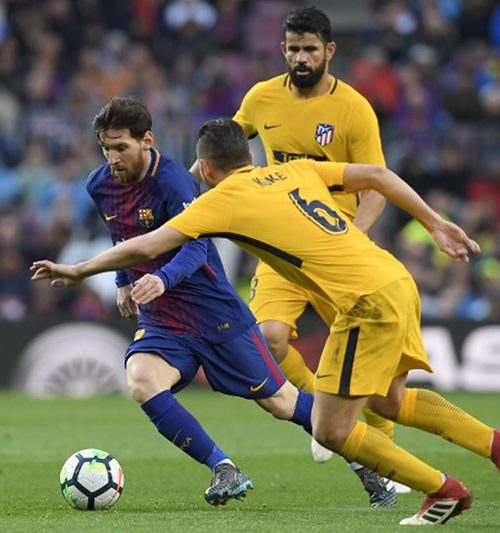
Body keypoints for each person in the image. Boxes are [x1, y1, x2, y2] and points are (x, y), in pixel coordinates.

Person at [32, 118, 500, 527]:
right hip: (395, 280)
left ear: (205, 169)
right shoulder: (296, 169)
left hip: (364, 304)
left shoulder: (220, 201)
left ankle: (443, 490)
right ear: (251, 156)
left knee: (329, 429)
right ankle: (494, 446)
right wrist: (435, 223)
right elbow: (377, 174)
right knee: (390, 401)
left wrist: (79, 269)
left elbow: (146, 245)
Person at [56, 97, 318, 507]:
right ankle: (223, 467)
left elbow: (197, 247)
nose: (113, 159)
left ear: (146, 140)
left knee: (281, 403)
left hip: (213, 312)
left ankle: (363, 455)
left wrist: (161, 279)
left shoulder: (174, 182)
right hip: (164, 319)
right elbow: (121, 234)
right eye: (106, 148)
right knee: (142, 379)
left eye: (121, 147)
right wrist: (123, 280)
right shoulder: (99, 184)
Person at [191, 5, 404, 502]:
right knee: (269, 336)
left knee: (381, 376)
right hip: (283, 247)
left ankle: (381, 452)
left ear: (330, 50)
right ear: (282, 49)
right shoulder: (261, 98)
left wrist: (355, 237)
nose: (300, 57)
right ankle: (320, 416)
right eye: (293, 49)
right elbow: (224, 148)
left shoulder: (353, 109)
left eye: (309, 49)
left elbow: (376, 184)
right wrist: (191, 177)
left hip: (338, 249)